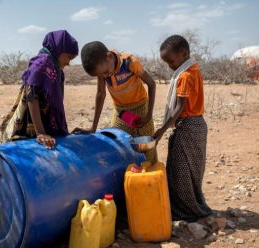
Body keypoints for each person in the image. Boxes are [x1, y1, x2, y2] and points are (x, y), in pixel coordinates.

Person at [153, 35, 212, 221]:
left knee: (180, 171)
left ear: (184, 54)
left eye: (171, 61)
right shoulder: (194, 70)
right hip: (198, 124)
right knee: (192, 169)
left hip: (188, 126)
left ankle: (184, 210)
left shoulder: (185, 76)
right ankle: (193, 205)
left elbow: (179, 107)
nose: (170, 66)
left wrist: (161, 131)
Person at [73, 41, 157, 163]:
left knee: (147, 149)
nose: (104, 76)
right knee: (120, 147)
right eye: (101, 75)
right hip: (121, 112)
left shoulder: (130, 62)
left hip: (141, 108)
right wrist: (93, 127)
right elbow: (100, 95)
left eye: (105, 72)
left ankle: (151, 179)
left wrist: (148, 115)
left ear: (110, 57)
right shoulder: (102, 70)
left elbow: (152, 84)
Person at [0, 30, 78, 149]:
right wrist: (40, 132)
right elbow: (31, 93)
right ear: (59, 50)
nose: (68, 63)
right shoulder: (42, 62)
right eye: (69, 57)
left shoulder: (57, 70)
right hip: (31, 125)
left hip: (46, 122)